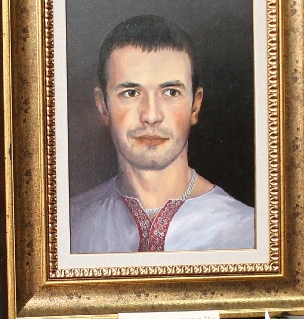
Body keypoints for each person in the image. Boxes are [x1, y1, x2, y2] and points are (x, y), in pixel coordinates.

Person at [70, 14, 254, 253]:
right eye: (130, 93)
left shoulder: (248, 232)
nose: (151, 115)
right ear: (103, 106)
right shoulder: (68, 227)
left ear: (195, 106)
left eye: (171, 92)